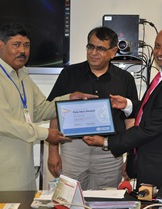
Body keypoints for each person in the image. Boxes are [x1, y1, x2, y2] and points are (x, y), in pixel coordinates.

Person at [0, 22, 96, 198]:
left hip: (18, 170)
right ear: (1, 46)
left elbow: (39, 109)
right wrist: (46, 134)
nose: (22, 51)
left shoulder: (22, 75)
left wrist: (68, 99)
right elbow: (4, 124)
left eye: (26, 45)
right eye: (16, 45)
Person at [83, 25, 162, 189]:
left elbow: (149, 128)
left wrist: (106, 141)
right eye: (157, 45)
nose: (160, 52)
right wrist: (128, 105)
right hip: (158, 164)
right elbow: (153, 109)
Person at [47, 26, 138, 190]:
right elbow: (55, 112)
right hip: (73, 150)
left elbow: (130, 120)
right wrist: (53, 151)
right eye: (91, 46)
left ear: (113, 51)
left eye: (101, 48)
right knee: (70, 198)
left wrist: (130, 157)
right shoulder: (69, 74)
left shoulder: (125, 79)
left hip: (108, 152)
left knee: (105, 201)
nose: (94, 52)